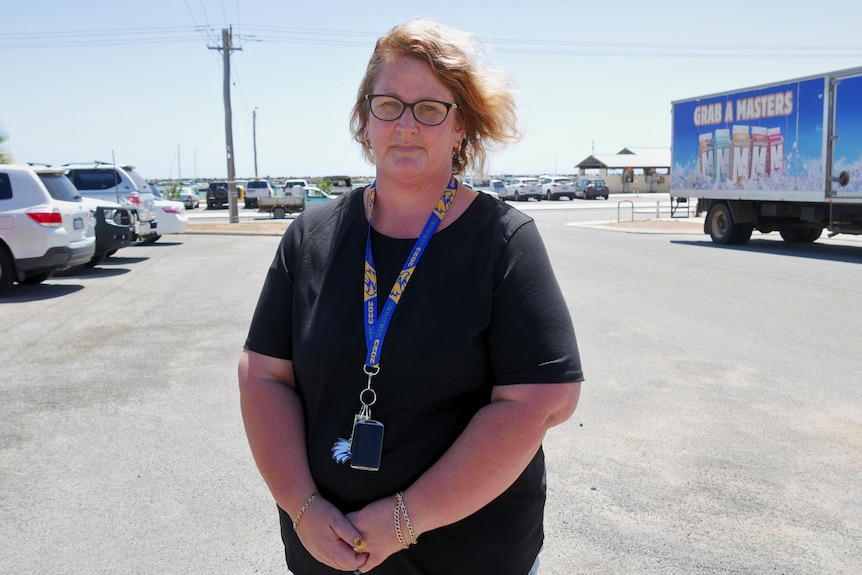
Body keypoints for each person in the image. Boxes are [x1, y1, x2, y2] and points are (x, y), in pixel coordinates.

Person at [239, 18, 584, 575]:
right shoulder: (309, 236)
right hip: (326, 552)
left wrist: (406, 519)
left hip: (470, 557)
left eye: (430, 108)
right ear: (364, 119)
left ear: (461, 127)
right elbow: (263, 375)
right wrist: (303, 509)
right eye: (389, 105)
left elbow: (543, 399)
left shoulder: (503, 240)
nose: (406, 124)